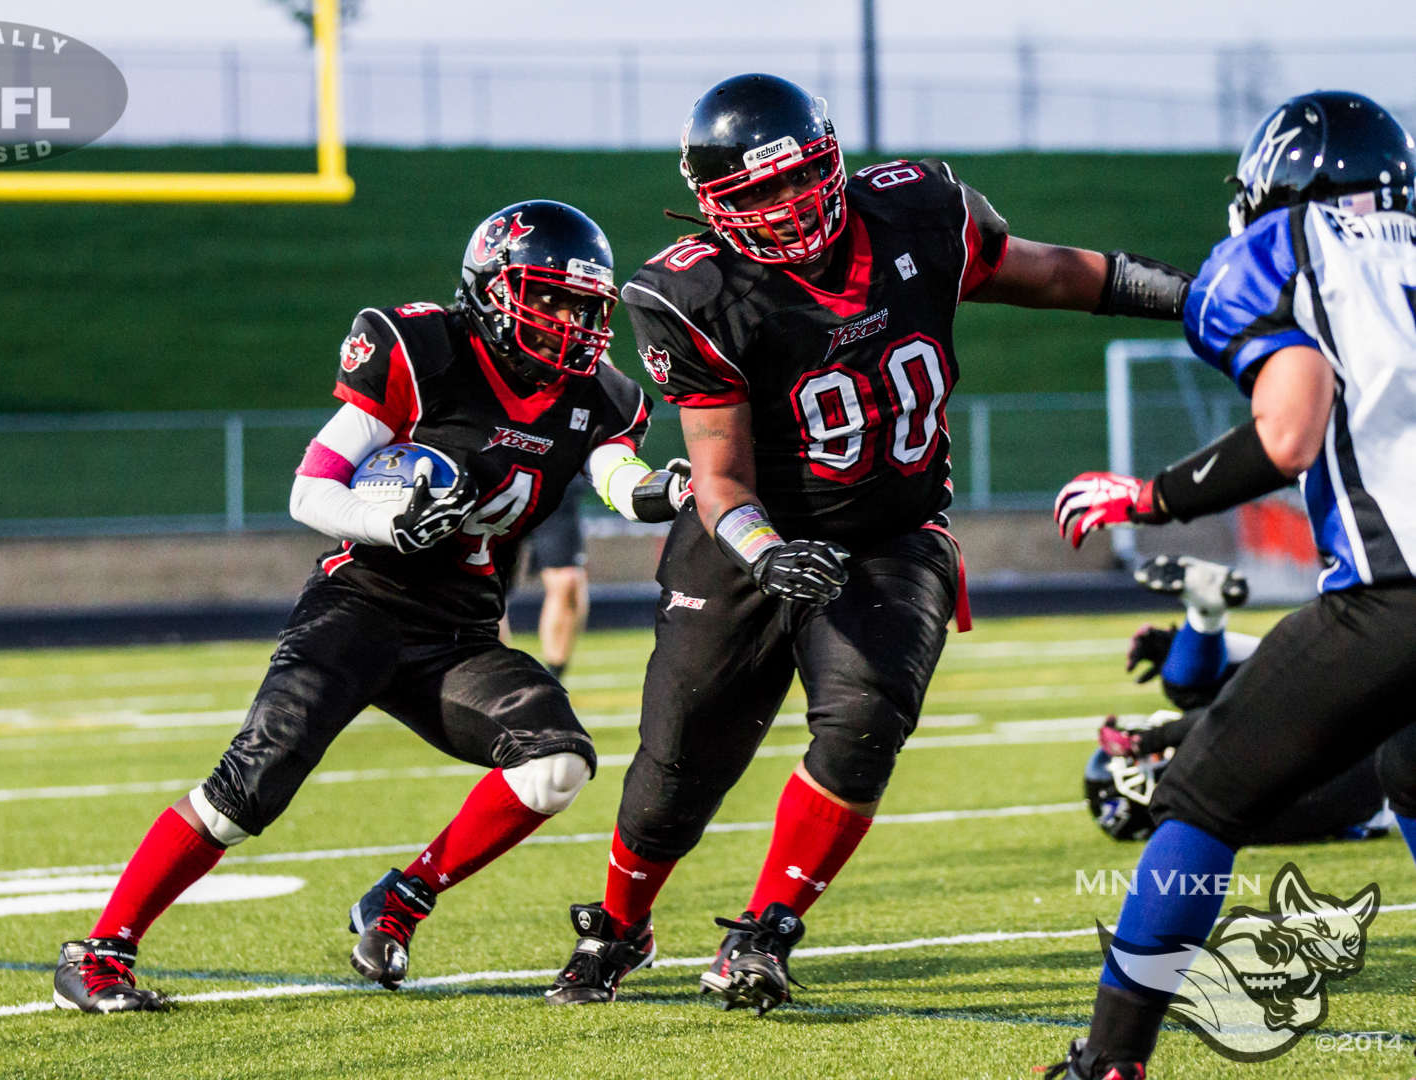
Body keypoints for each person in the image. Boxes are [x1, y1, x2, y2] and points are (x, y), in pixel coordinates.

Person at [543, 72, 1195, 1015]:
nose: (787, 205)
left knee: (866, 719)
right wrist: (766, 551)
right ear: (713, 204)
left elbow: (1057, 272)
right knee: (677, 764)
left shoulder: (920, 212)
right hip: (747, 534)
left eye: (799, 177)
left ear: (832, 159)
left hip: (892, 527)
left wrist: (1200, 298)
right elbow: (721, 478)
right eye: (756, 193)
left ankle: (765, 930)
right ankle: (619, 923)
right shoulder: (694, 291)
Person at [52, 200, 692, 1013]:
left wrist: (663, 489)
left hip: (457, 629)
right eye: (550, 298)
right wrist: (387, 518)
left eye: (583, 306)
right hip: (361, 599)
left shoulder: (598, 398)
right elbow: (309, 488)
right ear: (493, 291)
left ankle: (403, 898)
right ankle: (102, 950)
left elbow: (615, 479)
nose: (570, 323)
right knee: (250, 786)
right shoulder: (423, 352)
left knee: (557, 761)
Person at [1047, 92, 1416, 1079]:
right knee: (1409, 770)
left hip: (1398, 589)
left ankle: (1112, 1061)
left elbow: (1292, 428)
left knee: (1200, 797)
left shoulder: (1279, 247)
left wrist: (1149, 496)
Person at [1085, 555, 1389, 845]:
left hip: (1364, 750)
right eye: (1149, 758)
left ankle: (1203, 623)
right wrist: (1148, 740)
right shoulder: (1216, 802)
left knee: (1185, 686)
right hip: (1369, 750)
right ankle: (1205, 619)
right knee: (1200, 694)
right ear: (1143, 786)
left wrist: (1176, 649)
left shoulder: (1212, 810)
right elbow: (1235, 716)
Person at [522, 474, 592, 679]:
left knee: (568, 581)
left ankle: (552, 680)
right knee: (487, 586)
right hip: (496, 479)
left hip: (552, 480)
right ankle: (494, 680)